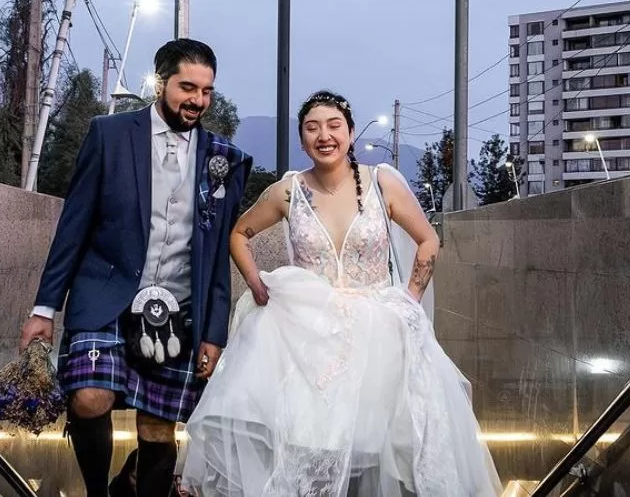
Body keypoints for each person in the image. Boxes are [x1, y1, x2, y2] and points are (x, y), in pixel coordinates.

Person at [181, 90, 503, 496]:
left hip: (376, 333)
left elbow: (427, 240)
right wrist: (258, 285)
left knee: (379, 444)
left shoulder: (381, 182)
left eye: (334, 126)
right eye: (312, 128)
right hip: (303, 334)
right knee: (307, 444)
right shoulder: (287, 191)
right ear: (302, 140)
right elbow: (239, 234)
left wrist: (409, 299)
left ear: (350, 133)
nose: (324, 135)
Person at [19, 38, 252, 497]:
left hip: (181, 310)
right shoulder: (109, 135)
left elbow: (217, 255)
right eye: (187, 87)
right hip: (105, 296)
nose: (197, 101)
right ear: (161, 82)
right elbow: (74, 225)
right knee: (89, 398)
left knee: (158, 431)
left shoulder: (224, 158)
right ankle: (97, 493)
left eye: (206, 91)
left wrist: (214, 330)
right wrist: (45, 308)